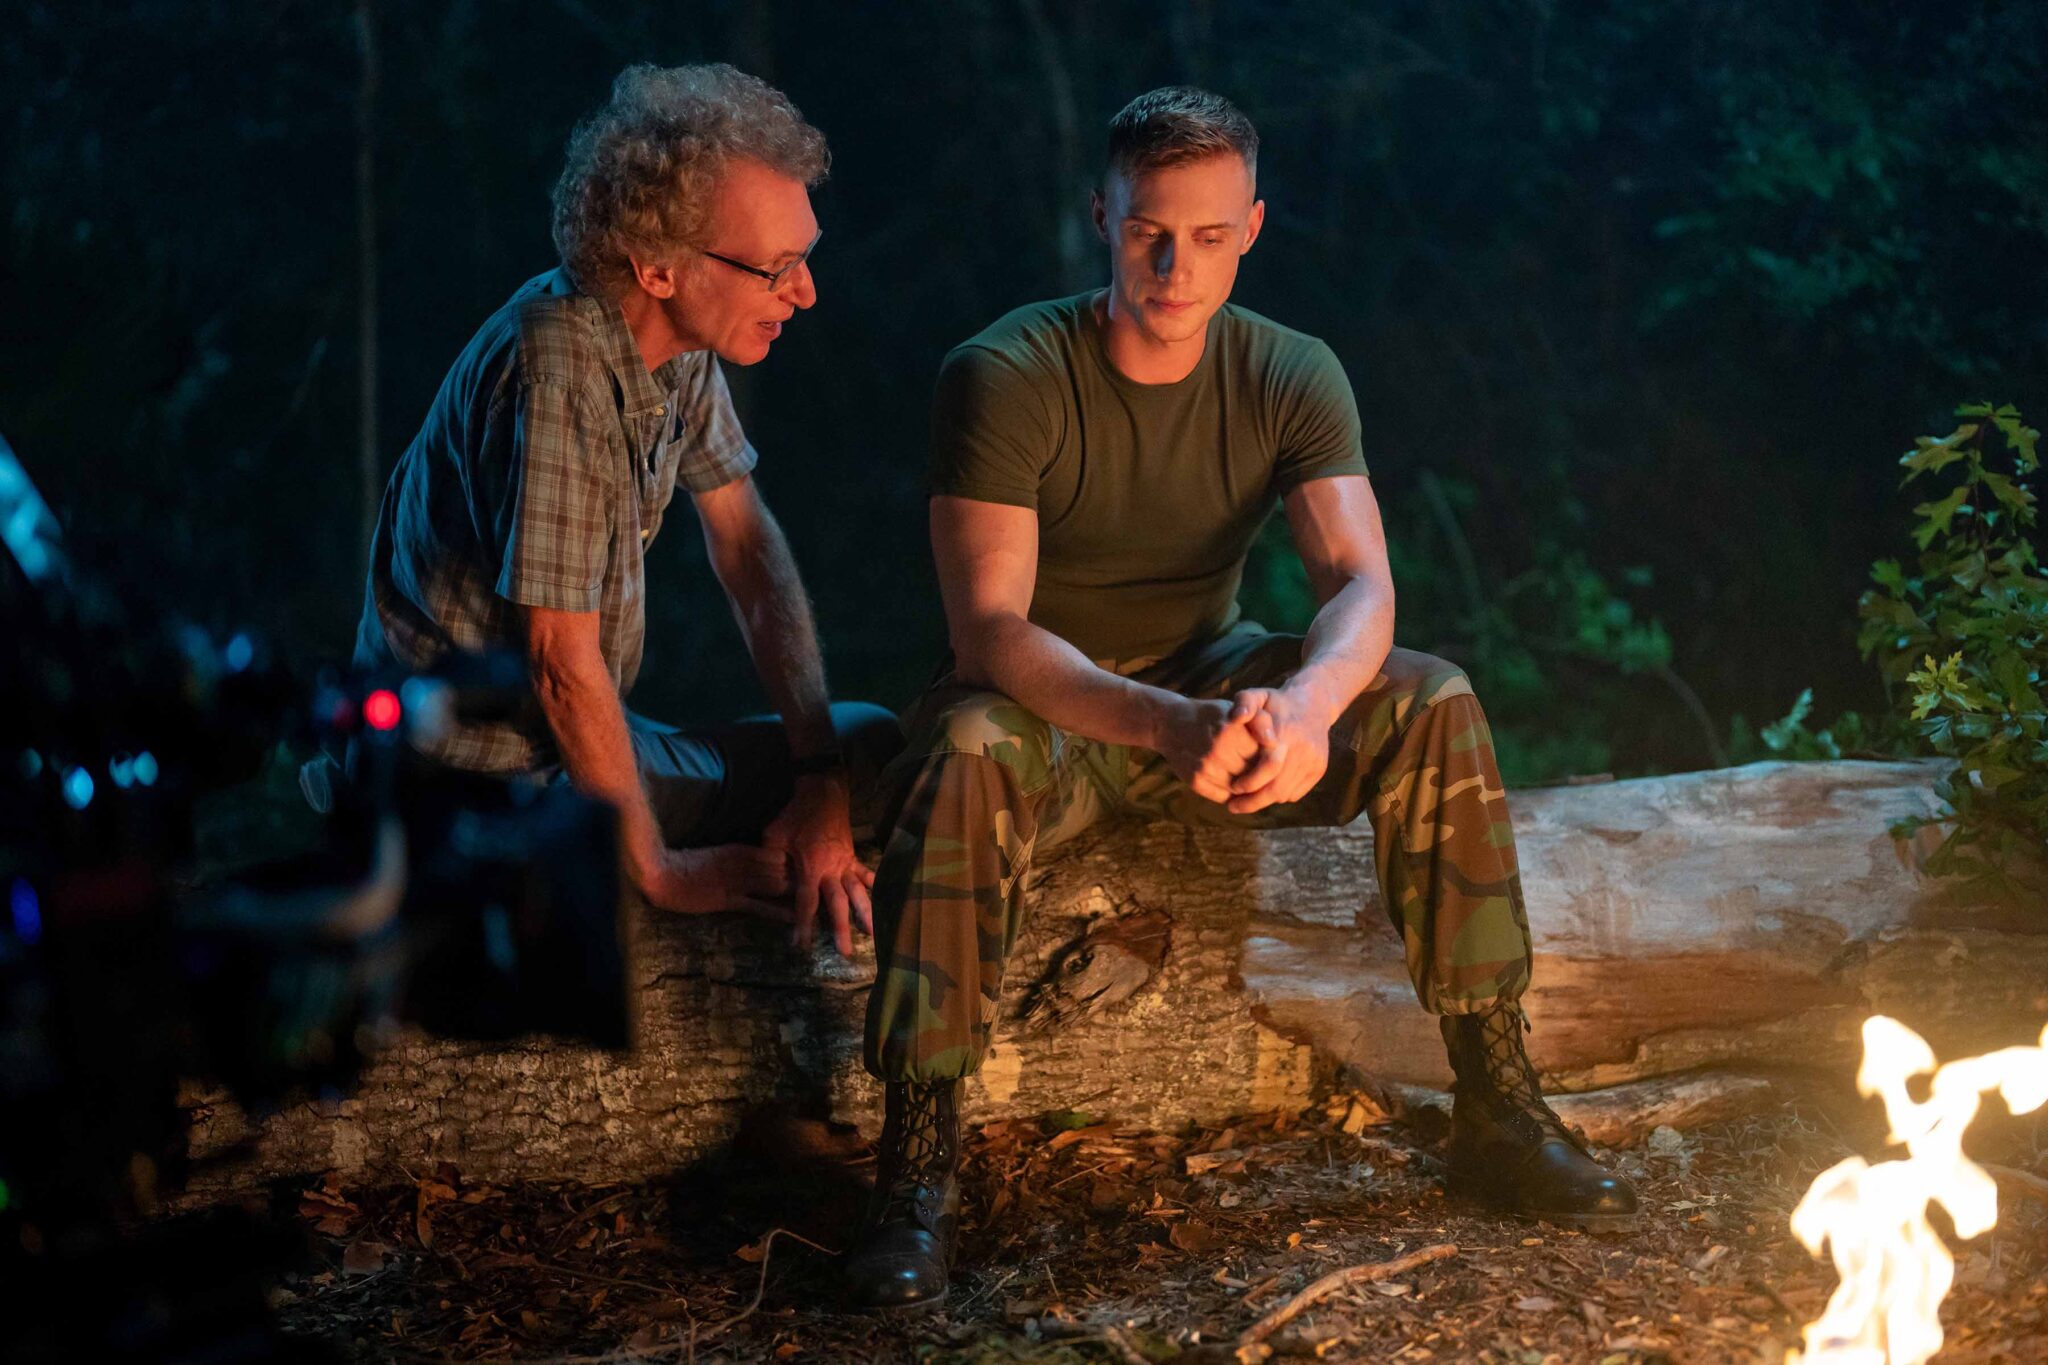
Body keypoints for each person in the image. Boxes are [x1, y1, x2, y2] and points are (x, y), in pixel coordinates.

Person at [843, 86, 1637, 1310]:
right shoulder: (1003, 373)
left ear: (1251, 229)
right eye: (1148, 232)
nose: (1175, 269)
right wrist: (1163, 725)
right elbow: (989, 631)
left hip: (1214, 685)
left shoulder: (1288, 371)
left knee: (1431, 699)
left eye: (1208, 236)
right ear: (1100, 215)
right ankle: (915, 1167)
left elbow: (1359, 582)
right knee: (965, 744)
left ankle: (1494, 1101)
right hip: (1051, 708)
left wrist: (1308, 705)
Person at [353, 63, 897, 953]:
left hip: (570, 746)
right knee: (839, 769)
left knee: (860, 746)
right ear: (657, 267)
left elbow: (744, 543)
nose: (805, 293)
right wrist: (666, 873)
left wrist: (816, 785)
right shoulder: (561, 372)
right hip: (479, 785)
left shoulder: (679, 343)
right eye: (777, 269)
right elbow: (560, 662)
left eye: (805, 258)